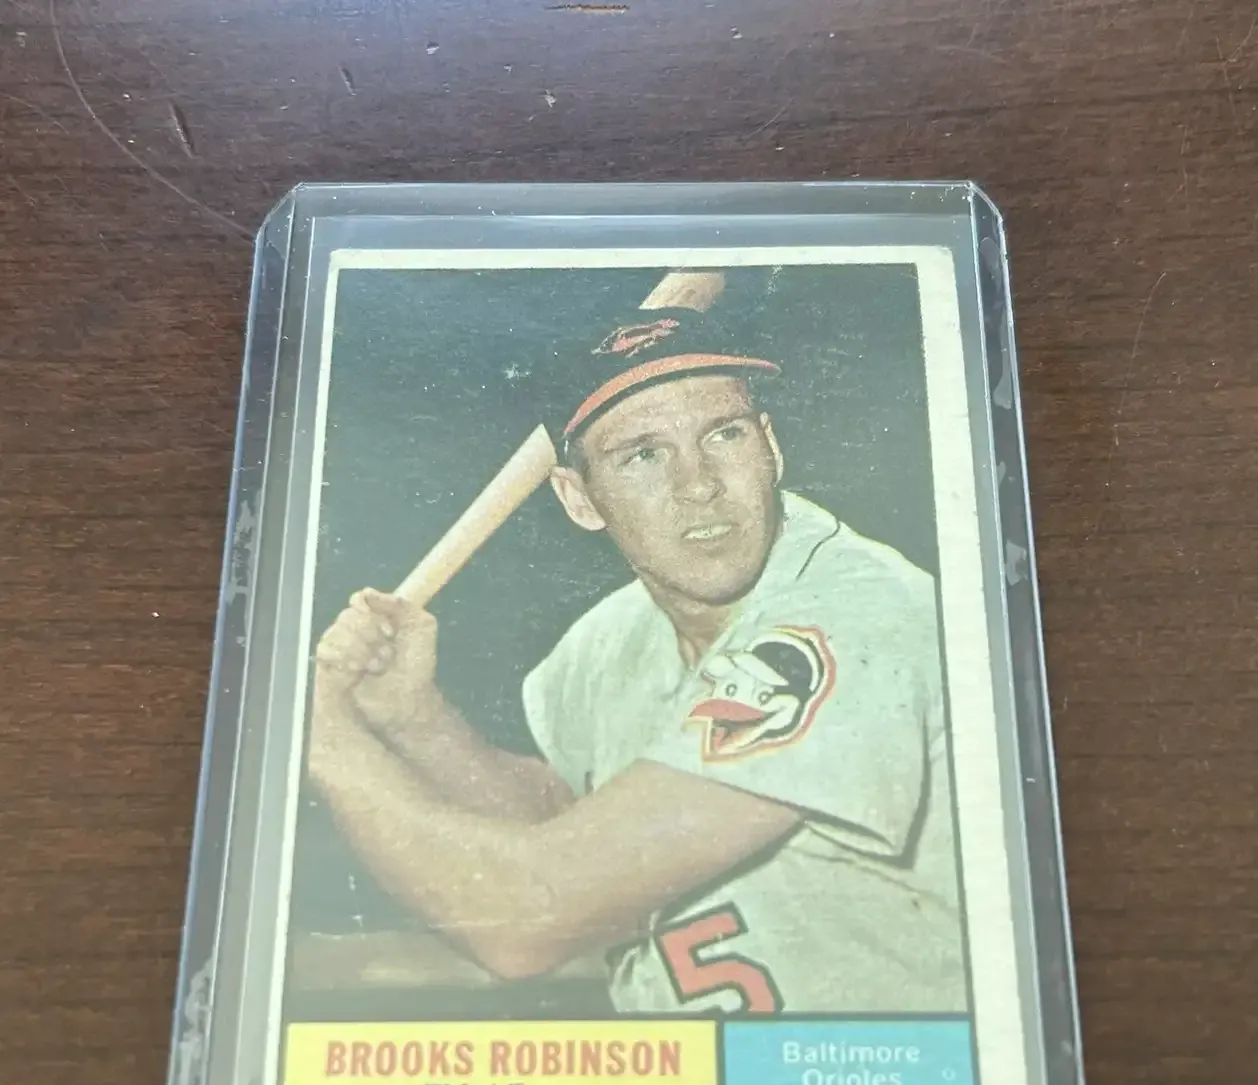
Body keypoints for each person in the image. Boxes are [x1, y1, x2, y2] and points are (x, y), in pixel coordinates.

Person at [306, 306, 966, 1014]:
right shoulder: (606, 644)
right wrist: (414, 720)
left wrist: (322, 741)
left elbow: (530, 919)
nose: (699, 484)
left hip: (882, 1070)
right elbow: (579, 828)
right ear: (579, 499)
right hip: (702, 1075)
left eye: (725, 434)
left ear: (771, 447)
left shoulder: (859, 617)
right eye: (644, 455)